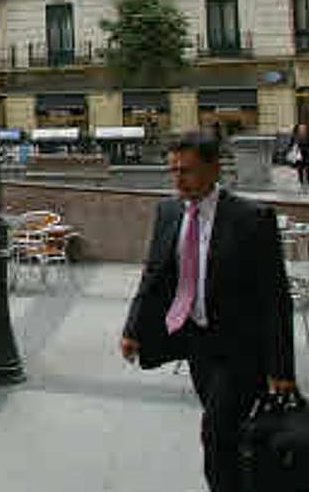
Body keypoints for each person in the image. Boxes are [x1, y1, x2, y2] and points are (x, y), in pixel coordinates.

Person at [121, 132, 294, 492]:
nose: (178, 180)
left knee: (214, 434)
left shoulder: (252, 219)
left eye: (187, 171)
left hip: (241, 348)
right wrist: (133, 329)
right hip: (198, 344)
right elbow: (154, 275)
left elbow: (274, 298)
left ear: (214, 169)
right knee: (225, 434)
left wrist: (281, 368)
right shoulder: (168, 212)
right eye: (173, 171)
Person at [291, 123, 309, 189]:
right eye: (301, 128)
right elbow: (291, 144)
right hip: (299, 155)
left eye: (303, 128)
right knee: (300, 169)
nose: (302, 129)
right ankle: (301, 182)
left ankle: (308, 182)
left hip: (308, 155)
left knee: (308, 169)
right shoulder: (295, 136)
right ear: (298, 129)